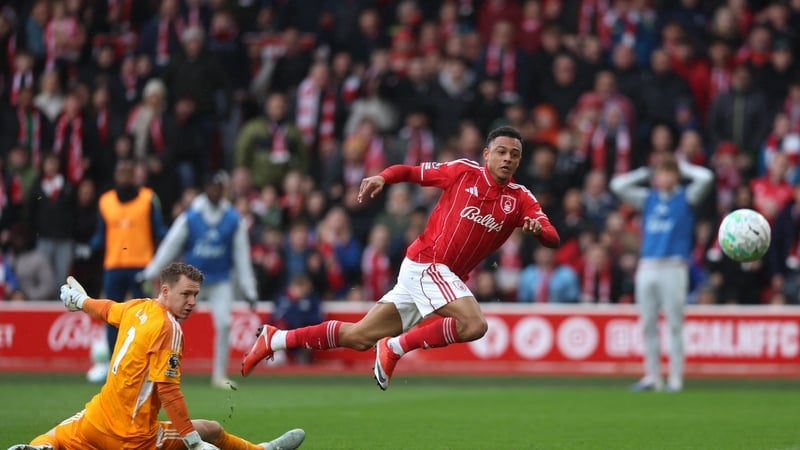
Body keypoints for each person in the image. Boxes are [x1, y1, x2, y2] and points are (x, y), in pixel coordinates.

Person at [241, 126, 560, 389]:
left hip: (436, 276)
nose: (507, 159)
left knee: (359, 337)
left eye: (514, 155)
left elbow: (552, 237)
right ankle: (395, 347)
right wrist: (383, 177)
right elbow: (412, 171)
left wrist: (538, 232)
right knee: (475, 324)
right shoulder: (463, 172)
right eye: (501, 152)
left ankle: (276, 338)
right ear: (487, 154)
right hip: (427, 263)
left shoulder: (521, 199)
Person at [7, 262, 305, 450]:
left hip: (96, 422)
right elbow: (168, 390)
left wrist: (80, 301)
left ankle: (40, 448)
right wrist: (192, 441)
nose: (192, 302)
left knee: (53, 437)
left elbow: (108, 310)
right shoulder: (169, 328)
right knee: (211, 430)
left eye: (196, 295)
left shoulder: (138, 307)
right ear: (165, 290)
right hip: (133, 439)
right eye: (186, 294)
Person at [136, 171, 259, 389]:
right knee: (170, 323)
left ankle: (219, 375)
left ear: (223, 190)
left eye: (218, 188)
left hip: (221, 280)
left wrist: (249, 290)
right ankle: (155, 368)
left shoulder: (233, 219)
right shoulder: (191, 216)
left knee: (224, 323)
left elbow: (242, 256)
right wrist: (150, 272)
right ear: (205, 189)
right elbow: (170, 246)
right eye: (211, 187)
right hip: (192, 281)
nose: (215, 191)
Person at [610, 154, 714, 392]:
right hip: (647, 265)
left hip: (674, 266)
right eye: (660, 173)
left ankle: (675, 379)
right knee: (648, 323)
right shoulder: (648, 198)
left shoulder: (686, 197)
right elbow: (617, 185)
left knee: (675, 323)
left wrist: (685, 168)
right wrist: (644, 173)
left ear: (676, 176)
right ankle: (652, 377)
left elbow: (707, 178)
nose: (663, 177)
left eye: (668, 172)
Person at [77, 158, 169, 377]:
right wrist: (87, 248)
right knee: (111, 317)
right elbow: (101, 235)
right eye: (122, 171)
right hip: (114, 266)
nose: (125, 175)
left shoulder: (148, 198)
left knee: (145, 318)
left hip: (142, 267)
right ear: (115, 174)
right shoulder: (106, 201)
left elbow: (159, 230)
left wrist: (172, 244)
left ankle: (144, 364)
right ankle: (114, 364)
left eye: (129, 171)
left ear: (135, 174)